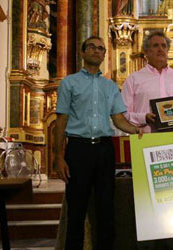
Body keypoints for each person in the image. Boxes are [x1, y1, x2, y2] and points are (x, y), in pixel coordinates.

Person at [55, 35, 142, 250]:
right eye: (91, 47)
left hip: (104, 149)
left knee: (106, 209)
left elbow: (118, 119)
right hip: (78, 149)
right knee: (76, 210)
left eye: (101, 49)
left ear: (104, 55)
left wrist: (136, 130)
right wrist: (58, 157)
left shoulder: (110, 86)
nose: (96, 51)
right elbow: (61, 120)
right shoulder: (69, 83)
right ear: (83, 53)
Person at [121, 31, 173, 133]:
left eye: (164, 46)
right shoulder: (133, 79)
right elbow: (123, 114)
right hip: (148, 138)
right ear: (146, 52)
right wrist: (144, 117)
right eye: (155, 46)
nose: (160, 49)